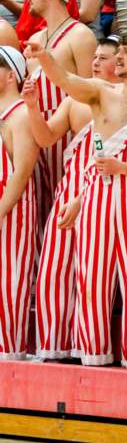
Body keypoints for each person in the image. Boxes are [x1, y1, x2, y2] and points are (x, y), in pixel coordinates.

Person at [26, 32, 127, 369]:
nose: (119, 58)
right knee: (91, 279)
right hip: (97, 195)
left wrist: (125, 167)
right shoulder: (100, 92)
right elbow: (65, 79)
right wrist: (44, 56)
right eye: (119, 52)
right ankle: (93, 359)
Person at [28, 38, 121, 360]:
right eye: (94, 56)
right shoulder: (74, 101)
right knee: (53, 270)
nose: (96, 62)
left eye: (104, 58)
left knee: (91, 276)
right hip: (68, 188)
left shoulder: (125, 102)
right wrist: (31, 106)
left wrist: (86, 197)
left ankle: (88, 350)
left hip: (104, 193)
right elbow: (45, 137)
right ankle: (52, 347)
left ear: (120, 64)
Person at [25, 0, 95, 243]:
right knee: (40, 199)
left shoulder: (80, 35)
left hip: (67, 133)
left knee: (63, 198)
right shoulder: (40, 37)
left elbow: (92, 92)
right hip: (37, 128)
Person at [0, 46, 38, 359]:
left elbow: (23, 170)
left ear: (11, 74)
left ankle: (10, 353)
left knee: (10, 283)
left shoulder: (22, 114)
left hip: (13, 208)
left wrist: (1, 210)